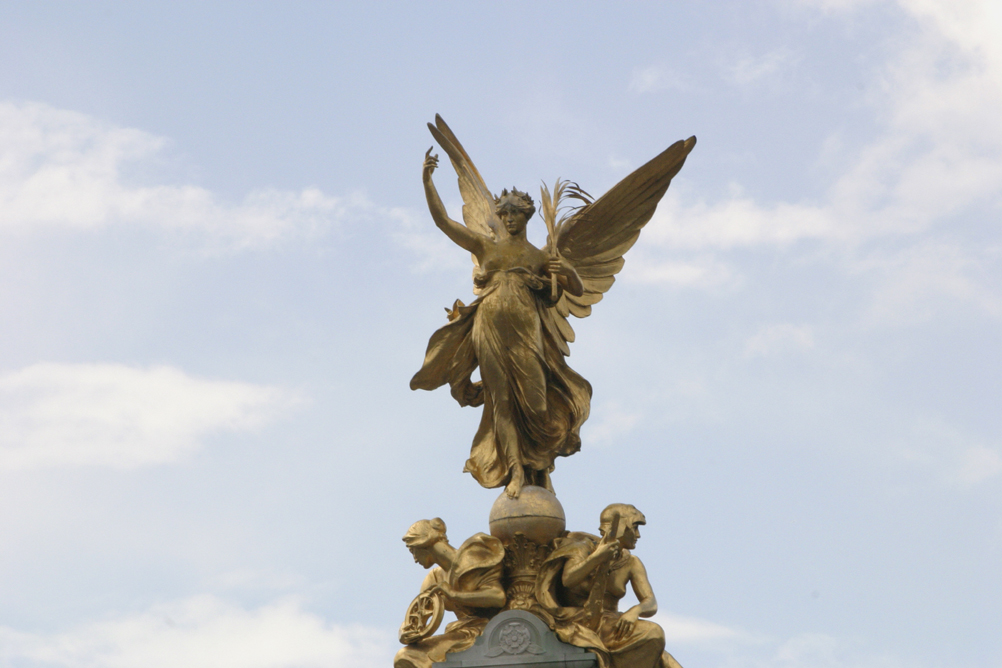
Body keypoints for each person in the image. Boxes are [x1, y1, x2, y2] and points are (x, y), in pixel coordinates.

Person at [410, 148, 592, 498]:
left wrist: (566, 271)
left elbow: (577, 289)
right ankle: (516, 471)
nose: (508, 219)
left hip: (527, 333)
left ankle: (540, 465)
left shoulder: (540, 256)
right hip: (489, 328)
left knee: (537, 404)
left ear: (527, 217)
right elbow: (443, 222)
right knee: (502, 402)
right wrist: (427, 181)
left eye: (515, 214)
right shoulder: (485, 246)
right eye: (504, 213)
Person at [535, 504, 683, 668]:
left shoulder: (631, 562)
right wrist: (597, 558)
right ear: (620, 526)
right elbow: (568, 580)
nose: (638, 535)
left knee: (668, 661)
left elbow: (651, 602)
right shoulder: (583, 549)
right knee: (654, 634)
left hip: (613, 624)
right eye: (634, 528)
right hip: (580, 621)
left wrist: (635, 611)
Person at [394, 518, 506, 668]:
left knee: (410, 658)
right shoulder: (433, 578)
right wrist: (404, 632)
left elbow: (498, 597)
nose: (414, 559)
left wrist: (454, 595)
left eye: (413, 550)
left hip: (486, 633)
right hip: (459, 633)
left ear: (424, 545)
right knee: (404, 656)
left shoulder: (473, 557)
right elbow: (417, 620)